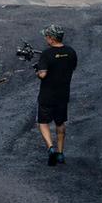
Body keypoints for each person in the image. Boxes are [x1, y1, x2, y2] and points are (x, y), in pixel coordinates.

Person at [35, 25, 78, 166]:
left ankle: (51, 148)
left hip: (47, 94)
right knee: (60, 122)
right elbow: (72, 67)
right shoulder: (71, 52)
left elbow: (43, 74)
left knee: (43, 122)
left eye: (47, 36)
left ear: (52, 39)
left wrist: (37, 71)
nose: (46, 38)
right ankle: (60, 153)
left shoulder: (47, 54)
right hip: (63, 94)